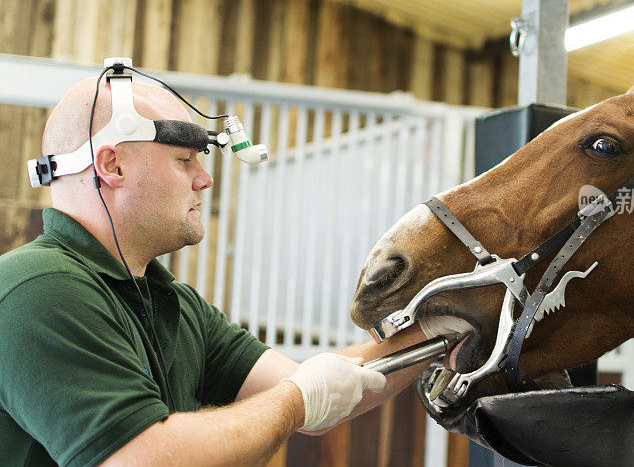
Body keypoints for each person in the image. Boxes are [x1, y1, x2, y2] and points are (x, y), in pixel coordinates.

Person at [0, 77, 436, 466]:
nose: (205, 179)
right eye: (185, 160)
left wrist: (436, 330)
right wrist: (297, 401)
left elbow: (310, 388)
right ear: (113, 166)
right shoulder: (37, 289)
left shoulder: (170, 301)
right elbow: (140, 458)